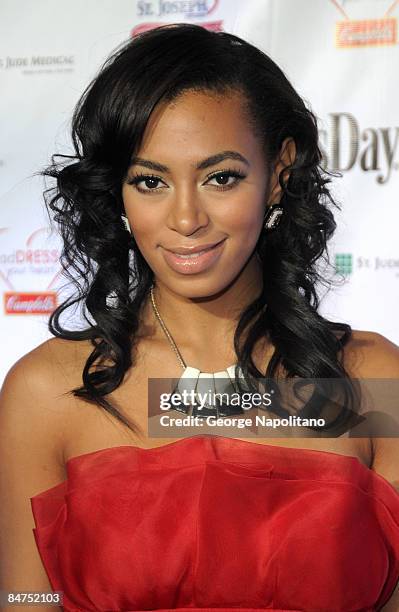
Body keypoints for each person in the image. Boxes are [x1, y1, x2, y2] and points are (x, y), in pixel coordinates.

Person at [0, 22, 398, 612]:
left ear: (279, 174)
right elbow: (24, 600)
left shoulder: (373, 381)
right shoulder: (46, 394)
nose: (186, 218)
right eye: (150, 180)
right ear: (118, 193)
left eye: (220, 177)